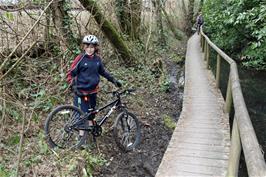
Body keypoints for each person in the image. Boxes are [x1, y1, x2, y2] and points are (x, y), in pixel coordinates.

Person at [67, 34, 122, 137]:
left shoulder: (97, 60)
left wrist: (113, 80)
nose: (90, 49)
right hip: (81, 92)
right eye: (87, 47)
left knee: (91, 115)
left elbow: (103, 72)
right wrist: (73, 86)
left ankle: (93, 135)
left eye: (92, 47)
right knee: (81, 116)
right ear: (84, 47)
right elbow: (70, 73)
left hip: (92, 92)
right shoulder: (80, 59)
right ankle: (81, 138)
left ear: (95, 48)